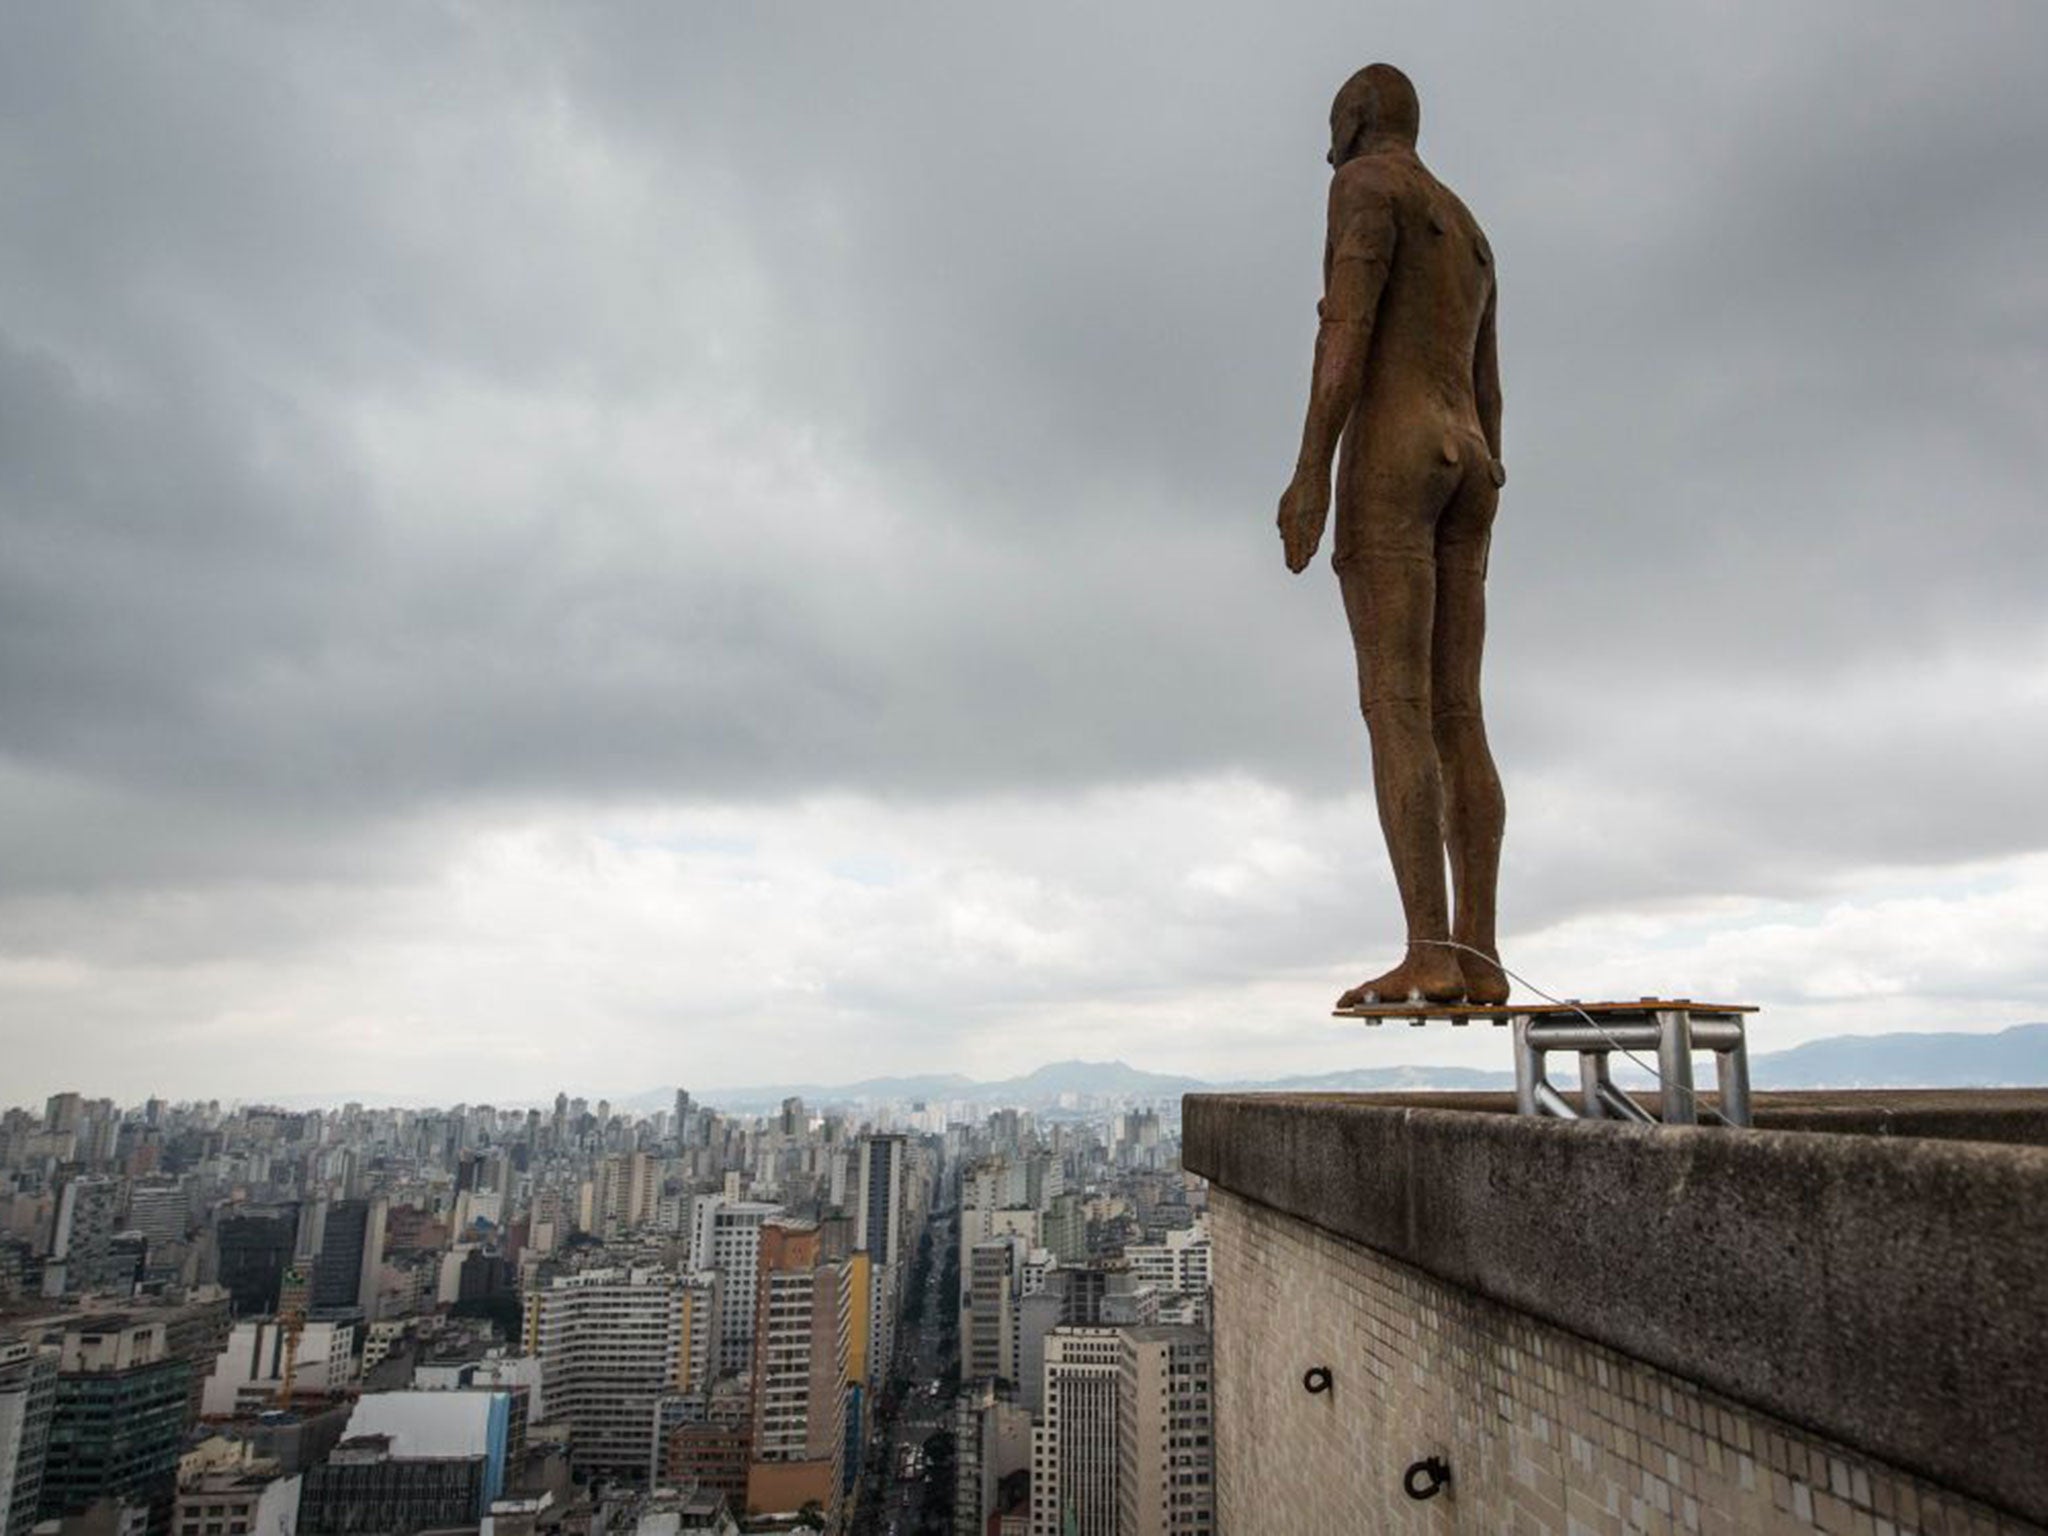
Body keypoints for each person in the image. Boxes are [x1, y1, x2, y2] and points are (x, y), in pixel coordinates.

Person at [1276, 64, 1509, 1007]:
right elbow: (1489, 384)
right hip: (1471, 458)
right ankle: (1480, 954)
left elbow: (1347, 331)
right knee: (1461, 709)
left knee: (1398, 706)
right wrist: (1488, 469)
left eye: (1334, 124)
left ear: (1360, 118)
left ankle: (1428, 949)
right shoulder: (1474, 230)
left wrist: (1308, 470)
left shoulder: (1364, 187)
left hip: (1396, 453)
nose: (1326, 145)